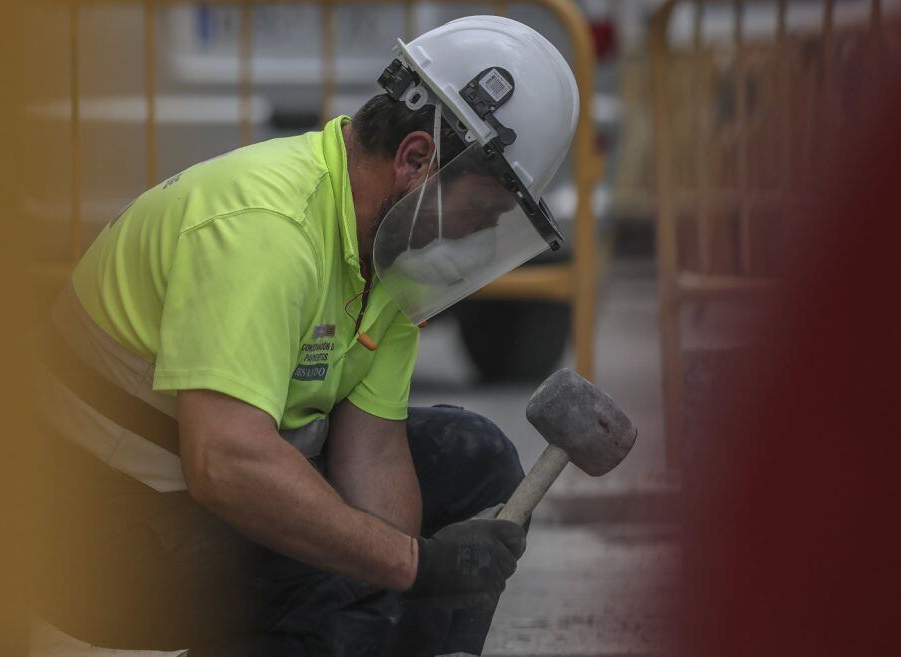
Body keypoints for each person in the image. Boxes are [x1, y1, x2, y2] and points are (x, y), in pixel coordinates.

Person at [37, 15, 579, 657]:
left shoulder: (385, 251)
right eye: (480, 212)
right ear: (416, 160)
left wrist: (420, 594)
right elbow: (225, 464)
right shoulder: (265, 228)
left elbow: (372, 458)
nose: (468, 237)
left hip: (196, 484)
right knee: (339, 580)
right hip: (83, 526)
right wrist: (411, 566)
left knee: (472, 459)